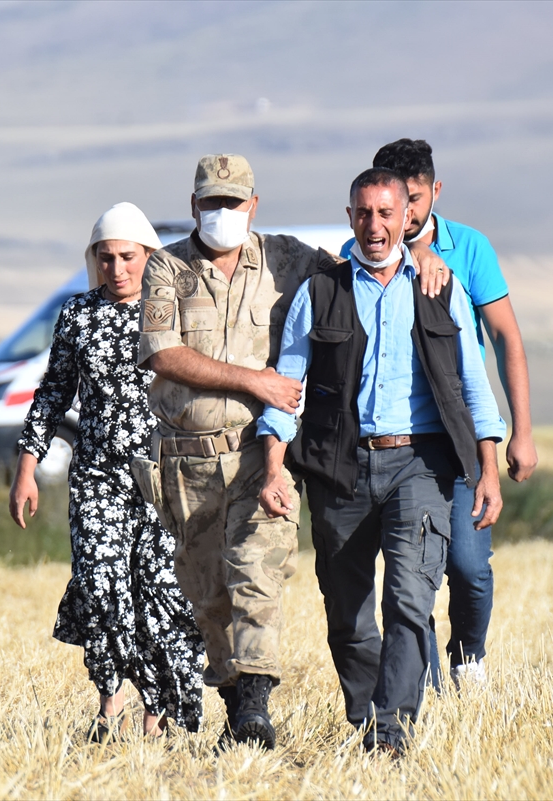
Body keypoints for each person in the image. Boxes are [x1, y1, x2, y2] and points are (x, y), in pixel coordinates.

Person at [136, 153, 450, 750]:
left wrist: (423, 254)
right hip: (185, 459)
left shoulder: (289, 258)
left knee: (257, 573)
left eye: (233, 202)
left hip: (260, 452)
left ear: (253, 205)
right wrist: (254, 379)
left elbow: (370, 265)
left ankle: (256, 710)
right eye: (210, 202)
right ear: (193, 205)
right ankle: (236, 707)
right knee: (208, 597)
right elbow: (163, 354)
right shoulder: (166, 268)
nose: (221, 213)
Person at [258, 168, 505, 755]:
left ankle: (392, 729)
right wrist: (273, 466)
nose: (375, 225)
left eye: (386, 213)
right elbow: (286, 385)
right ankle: (367, 716)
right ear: (350, 218)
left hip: (419, 464)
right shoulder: (319, 294)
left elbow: (473, 382)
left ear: (405, 218)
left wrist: (487, 469)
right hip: (338, 467)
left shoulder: (441, 289)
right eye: (363, 214)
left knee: (410, 599)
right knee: (347, 610)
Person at [340, 139, 537, 688]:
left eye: (417, 200)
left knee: (469, 568)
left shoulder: (468, 249)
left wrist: (520, 432)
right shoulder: (362, 248)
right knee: (411, 571)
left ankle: (468, 653)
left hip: (463, 432)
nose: (408, 215)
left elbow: (504, 340)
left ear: (431, 193)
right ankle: (417, 686)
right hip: (405, 444)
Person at [9, 203, 204, 740]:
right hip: (97, 473)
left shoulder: (176, 309)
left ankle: (157, 711)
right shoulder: (78, 314)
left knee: (161, 592)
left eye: (128, 257)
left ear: (149, 257)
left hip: (166, 474)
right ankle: (109, 702)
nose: (117, 268)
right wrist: (27, 468)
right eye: (106, 257)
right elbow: (52, 394)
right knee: (101, 584)